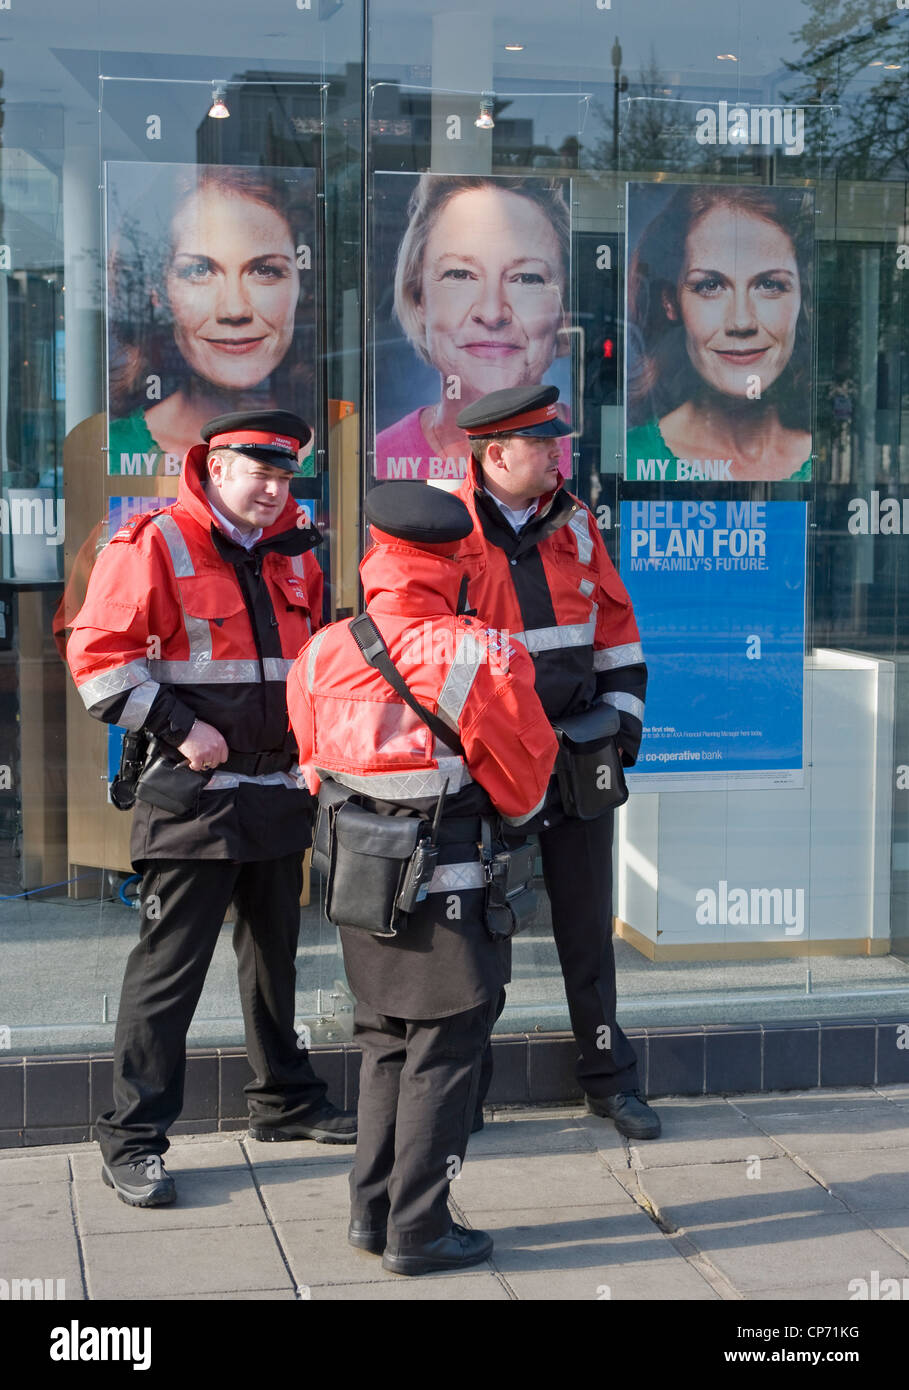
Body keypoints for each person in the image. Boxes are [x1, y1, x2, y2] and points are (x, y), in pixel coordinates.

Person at [66, 409, 355, 1207]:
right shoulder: (154, 542)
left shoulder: (297, 554)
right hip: (189, 796)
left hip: (275, 793)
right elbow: (97, 663)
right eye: (256, 472)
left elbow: (308, 668)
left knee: (275, 960)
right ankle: (131, 1137)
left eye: (284, 475)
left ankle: (285, 1102)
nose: (272, 488)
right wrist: (179, 725)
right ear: (214, 468)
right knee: (168, 976)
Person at [287, 481, 558, 1275]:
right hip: (451, 889)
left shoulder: (325, 648)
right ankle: (420, 1231)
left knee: (383, 1045)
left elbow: (311, 763)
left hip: (361, 883)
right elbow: (526, 774)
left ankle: (371, 1216)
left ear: (377, 552)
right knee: (446, 1049)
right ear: (456, 559)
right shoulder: (480, 651)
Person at [454, 384, 659, 1141]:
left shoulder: (576, 524)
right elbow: (416, 659)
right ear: (495, 454)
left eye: (557, 444)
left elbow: (618, 637)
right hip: (487, 769)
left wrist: (620, 735)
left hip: (575, 758)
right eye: (543, 446)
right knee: (479, 938)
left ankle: (607, 1080)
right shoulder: (442, 530)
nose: (557, 457)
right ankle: (463, 1093)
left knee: (585, 931)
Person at [108, 166, 314, 476]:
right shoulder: (114, 450)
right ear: (158, 289)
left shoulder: (338, 452)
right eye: (199, 271)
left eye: (265, 270)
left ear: (302, 286)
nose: (234, 309)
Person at [375, 175, 572, 482]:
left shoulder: (591, 452)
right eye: (460, 274)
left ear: (564, 312)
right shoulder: (382, 454)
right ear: (418, 299)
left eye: (527, 278)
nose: (492, 313)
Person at [626, 184, 814, 482]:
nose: (741, 322)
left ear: (803, 297)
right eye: (710, 285)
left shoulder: (826, 460)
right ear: (670, 302)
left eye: (770, 285)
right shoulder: (633, 457)